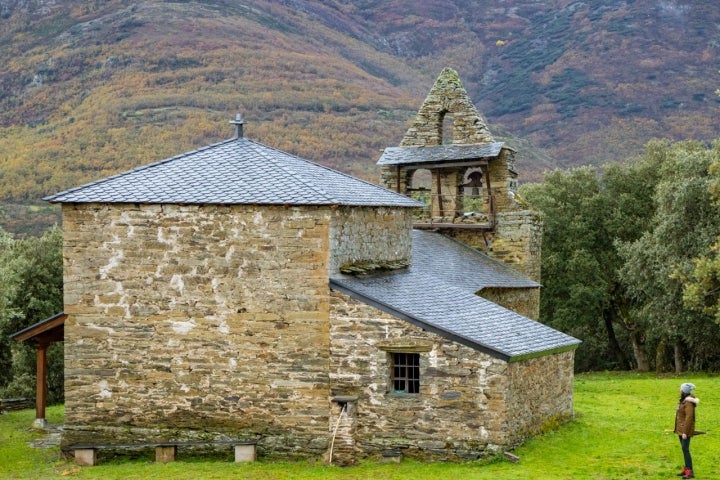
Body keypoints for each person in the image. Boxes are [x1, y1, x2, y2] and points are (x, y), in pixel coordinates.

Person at [674, 382, 699, 479]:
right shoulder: (683, 401)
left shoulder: (688, 403)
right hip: (681, 429)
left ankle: (690, 472)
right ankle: (687, 469)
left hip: (685, 430)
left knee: (685, 449)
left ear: (684, 391)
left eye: (681, 389)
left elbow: (689, 418)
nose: (680, 390)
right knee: (684, 450)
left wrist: (685, 432)